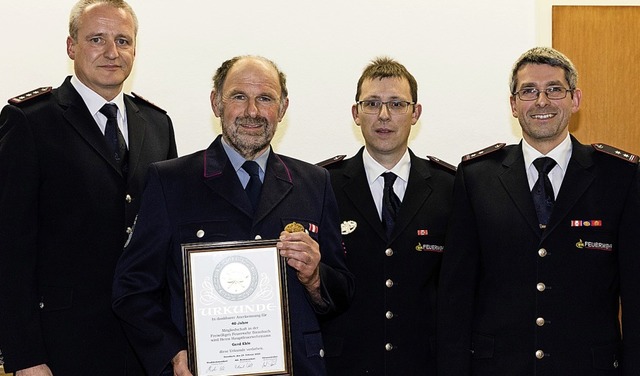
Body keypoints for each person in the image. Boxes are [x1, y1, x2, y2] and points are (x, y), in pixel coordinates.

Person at [111, 55, 354, 376]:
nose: (252, 111)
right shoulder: (171, 181)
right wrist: (172, 352)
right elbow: (132, 288)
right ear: (216, 103)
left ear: (282, 108)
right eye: (239, 96)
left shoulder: (315, 183)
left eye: (265, 99)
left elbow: (342, 292)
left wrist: (315, 278)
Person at [437, 46, 640, 375]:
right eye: (529, 91)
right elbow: (456, 296)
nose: (542, 101)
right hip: (498, 367)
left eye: (554, 89)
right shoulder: (477, 177)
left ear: (575, 100)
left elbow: (634, 296)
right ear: (514, 105)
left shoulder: (619, 177)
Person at [0, 0, 178, 374]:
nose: (112, 52)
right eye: (97, 39)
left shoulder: (158, 125)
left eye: (124, 41)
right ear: (71, 47)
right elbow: (9, 249)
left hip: (146, 348)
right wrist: (26, 356)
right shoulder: (30, 122)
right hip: (62, 347)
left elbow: (167, 239)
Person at [319, 57, 455, 375]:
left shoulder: (450, 187)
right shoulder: (324, 184)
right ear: (356, 113)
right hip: (345, 364)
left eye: (396, 103)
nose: (384, 115)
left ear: (415, 113)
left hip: (424, 363)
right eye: (372, 104)